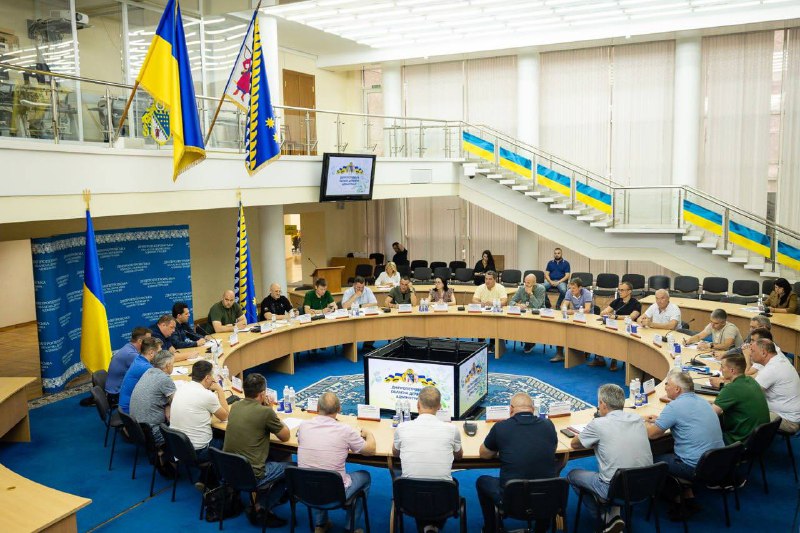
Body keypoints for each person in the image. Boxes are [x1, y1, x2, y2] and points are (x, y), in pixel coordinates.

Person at [568, 384, 652, 533]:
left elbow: (574, 444)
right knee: (617, 468)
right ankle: (614, 516)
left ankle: (606, 519)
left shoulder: (598, 424)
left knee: (572, 475)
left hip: (615, 490)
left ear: (603, 404)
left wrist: (590, 432)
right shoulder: (638, 419)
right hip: (646, 486)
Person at [645, 370, 724, 518]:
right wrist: (662, 420)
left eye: (667, 384)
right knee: (670, 448)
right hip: (717, 461)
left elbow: (652, 434)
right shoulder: (703, 402)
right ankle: (688, 494)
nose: (665, 387)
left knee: (649, 459)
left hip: (694, 466)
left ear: (677, 389)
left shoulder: (674, 407)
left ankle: (678, 498)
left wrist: (642, 423)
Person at [477, 393, 558, 533]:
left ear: (511, 409)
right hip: (545, 499)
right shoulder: (548, 425)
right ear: (533, 409)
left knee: (482, 481)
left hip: (511, 500)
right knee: (545, 483)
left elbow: (484, 454)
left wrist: (502, 449)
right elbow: (553, 449)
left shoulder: (500, 427)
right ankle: (541, 530)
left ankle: (492, 528)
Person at [297, 392, 375, 533]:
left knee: (314, 469)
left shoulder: (303, 426)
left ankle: (320, 525)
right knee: (365, 476)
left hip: (305, 490)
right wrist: (368, 433)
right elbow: (370, 450)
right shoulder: (345, 430)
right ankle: (350, 527)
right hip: (335, 492)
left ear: (317, 407)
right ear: (339, 409)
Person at [223, 373, 290, 527]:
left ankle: (268, 497)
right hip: (252, 474)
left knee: (279, 453)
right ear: (262, 394)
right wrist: (271, 411)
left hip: (229, 469)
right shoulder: (265, 412)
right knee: (291, 469)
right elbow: (285, 436)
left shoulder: (235, 406)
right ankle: (261, 507)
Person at [393, 386, 463, 531]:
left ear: (418, 405)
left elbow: (395, 453)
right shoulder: (452, 430)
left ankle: (426, 526)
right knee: (444, 484)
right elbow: (459, 456)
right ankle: (433, 526)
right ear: (439, 406)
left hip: (409, 500)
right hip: (444, 502)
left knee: (408, 477)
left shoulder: (402, 428)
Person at [168, 360, 230, 462]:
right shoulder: (207, 395)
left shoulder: (181, 388)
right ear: (207, 378)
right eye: (212, 376)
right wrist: (219, 390)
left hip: (178, 447)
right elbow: (225, 416)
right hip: (199, 451)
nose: (213, 379)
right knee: (227, 438)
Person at [712, 353, 770, 444]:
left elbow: (710, 414)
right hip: (759, 439)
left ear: (732, 370)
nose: (720, 369)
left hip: (739, 441)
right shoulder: (751, 380)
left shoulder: (731, 389)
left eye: (722, 367)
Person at [750, 338, 800, 433]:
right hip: (789, 414)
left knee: (744, 412)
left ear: (764, 353)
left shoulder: (772, 368)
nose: (750, 354)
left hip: (788, 420)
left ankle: (742, 441)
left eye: (752, 351)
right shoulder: (778, 360)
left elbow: (749, 394)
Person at [129, 350, 176, 446]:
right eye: (173, 364)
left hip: (138, 430)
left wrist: (167, 405)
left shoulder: (148, 372)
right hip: (154, 434)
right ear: (168, 365)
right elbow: (178, 404)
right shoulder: (164, 379)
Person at [597, 282, 641, 372]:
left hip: (628, 329)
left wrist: (616, 317)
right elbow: (603, 313)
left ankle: (615, 359)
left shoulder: (636, 303)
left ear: (629, 291)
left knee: (615, 338)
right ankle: (599, 358)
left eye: (622, 290)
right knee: (599, 334)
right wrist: (605, 313)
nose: (620, 292)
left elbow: (632, 317)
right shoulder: (617, 301)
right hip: (615, 326)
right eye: (619, 290)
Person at [105, 326, 151, 407]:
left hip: (117, 389)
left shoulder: (129, 347)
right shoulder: (130, 354)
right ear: (140, 341)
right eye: (148, 340)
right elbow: (150, 371)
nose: (150, 343)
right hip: (116, 395)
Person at [550, 278, 592, 363]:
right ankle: (559, 354)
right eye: (570, 287)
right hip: (575, 316)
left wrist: (573, 311)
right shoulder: (569, 292)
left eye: (574, 288)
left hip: (587, 317)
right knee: (561, 328)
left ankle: (584, 351)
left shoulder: (587, 293)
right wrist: (563, 308)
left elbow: (587, 310)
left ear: (580, 288)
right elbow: (564, 304)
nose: (571, 290)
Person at [118, 337, 162, 414]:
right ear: (151, 353)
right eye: (159, 352)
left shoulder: (139, 359)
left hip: (126, 404)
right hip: (130, 409)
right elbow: (160, 388)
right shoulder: (146, 368)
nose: (160, 355)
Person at [510, 273, 547, 353]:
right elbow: (511, 301)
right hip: (525, 312)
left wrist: (530, 294)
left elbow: (538, 305)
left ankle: (530, 341)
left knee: (529, 322)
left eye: (528, 283)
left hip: (538, 313)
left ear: (534, 283)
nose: (526, 284)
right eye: (525, 282)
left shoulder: (541, 289)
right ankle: (526, 339)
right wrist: (518, 305)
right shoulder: (522, 289)